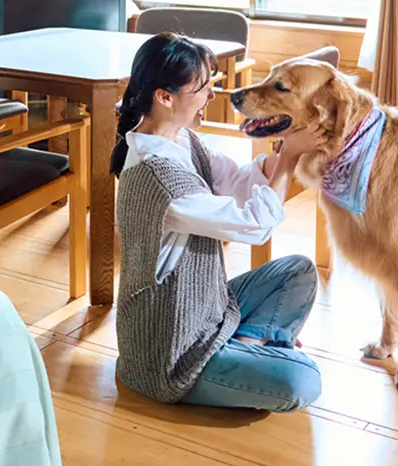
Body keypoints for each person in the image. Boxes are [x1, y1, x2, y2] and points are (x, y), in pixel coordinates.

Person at [112, 33, 324, 413]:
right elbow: (255, 225)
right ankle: (249, 352)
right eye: (203, 87)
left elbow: (240, 183)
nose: (212, 95)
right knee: (303, 379)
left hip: (207, 309)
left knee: (299, 272)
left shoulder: (181, 141)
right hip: (168, 353)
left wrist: (285, 146)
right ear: (165, 97)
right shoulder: (158, 176)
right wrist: (290, 158)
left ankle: (244, 348)